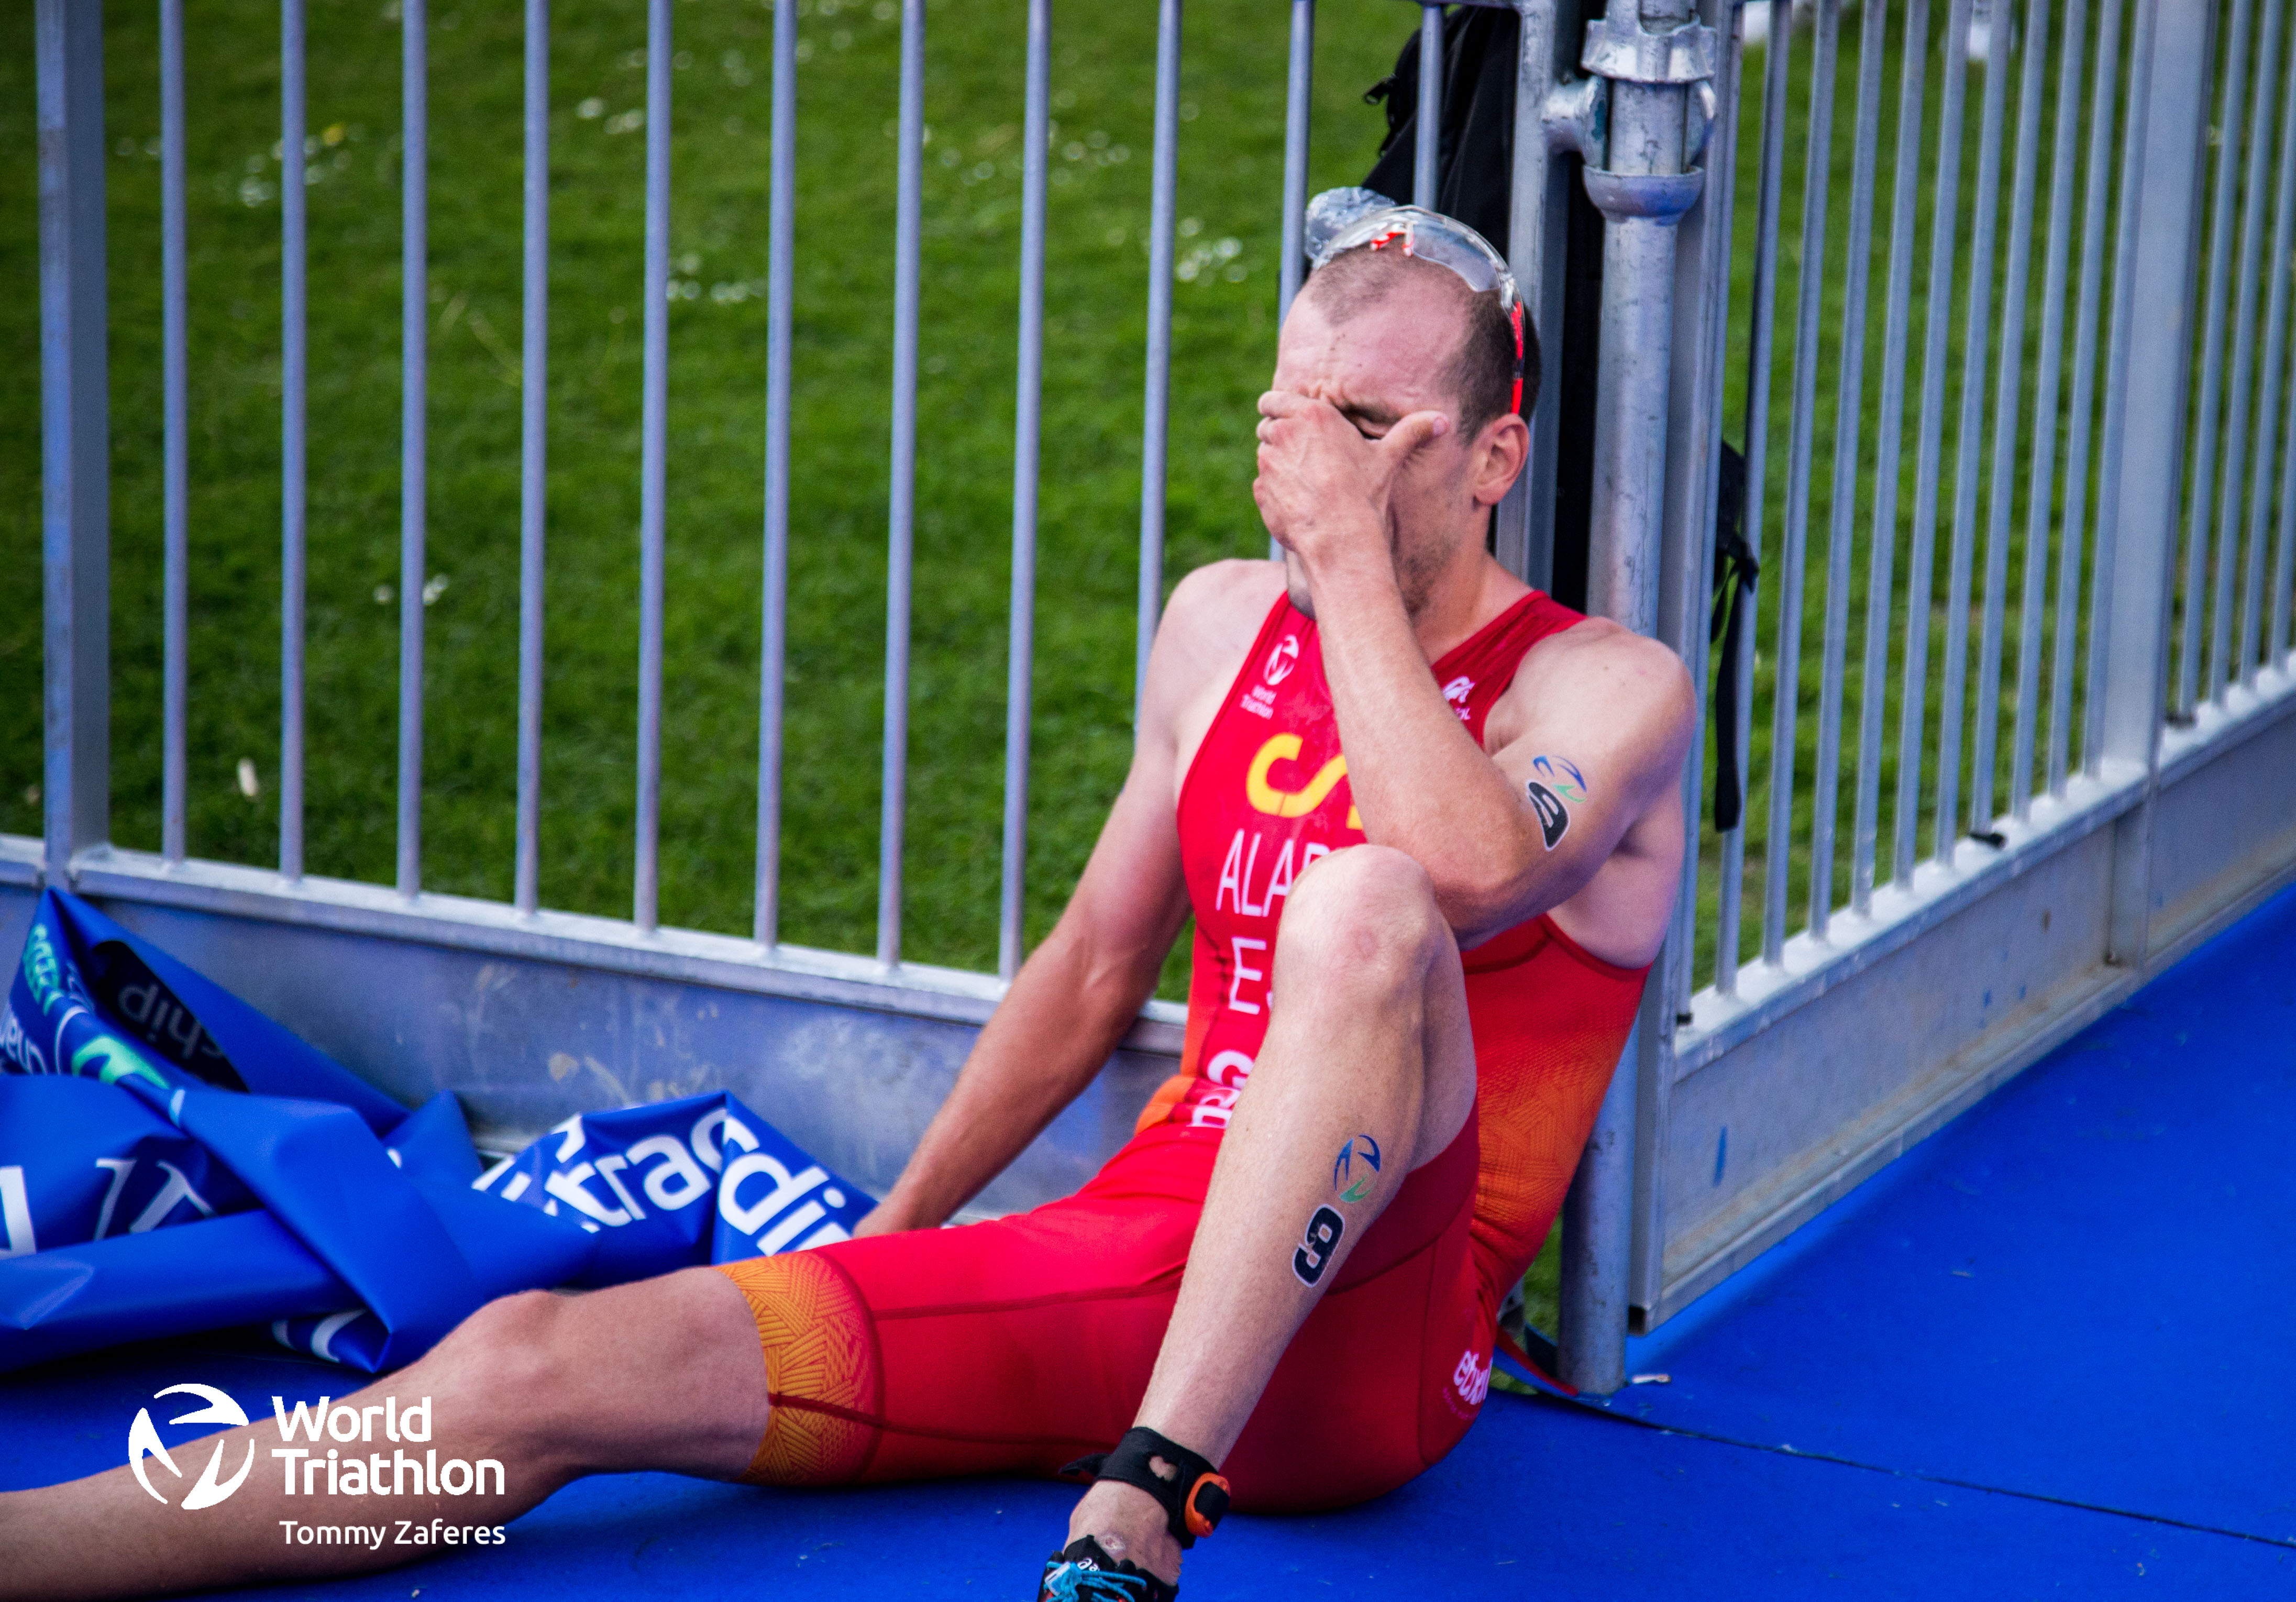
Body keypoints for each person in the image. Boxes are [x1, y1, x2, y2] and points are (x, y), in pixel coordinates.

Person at [0, 202, 1692, 1602]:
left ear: (1492, 458)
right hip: (1131, 1263)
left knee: (1366, 908)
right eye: (1292, 414)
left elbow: (1460, 871)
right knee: (538, 1362)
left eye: (1373, 430)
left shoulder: (1607, 691)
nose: (1318, 465)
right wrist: (896, 1233)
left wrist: (1340, 573)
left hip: (1369, 1337)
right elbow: (1096, 963)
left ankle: (1142, 1516)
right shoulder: (1220, 622)